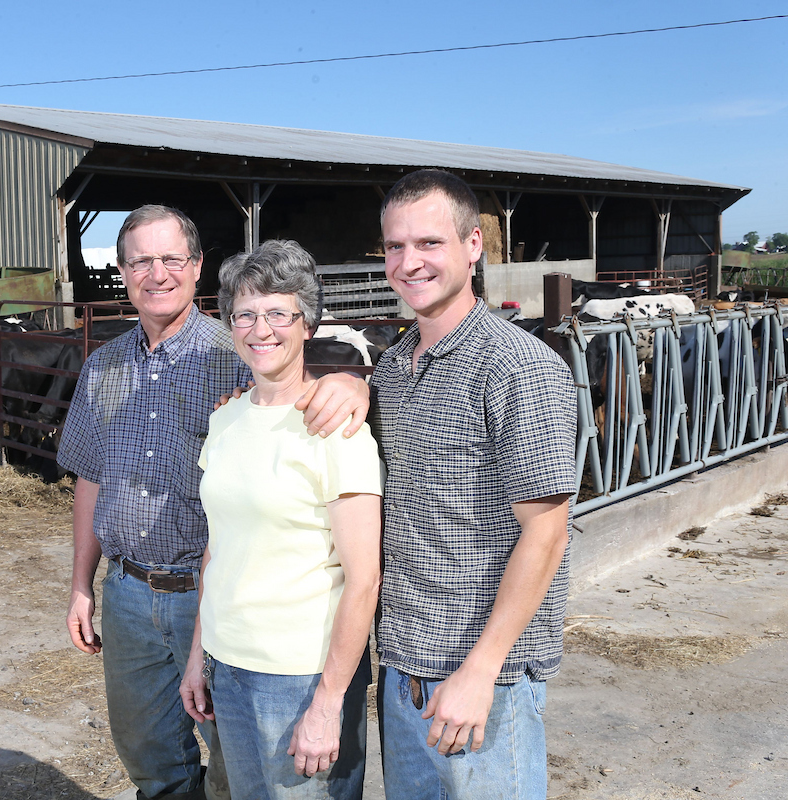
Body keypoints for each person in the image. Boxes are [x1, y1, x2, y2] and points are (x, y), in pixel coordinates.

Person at [58, 205, 370, 800]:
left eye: (172, 258)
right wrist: (82, 583)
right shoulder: (103, 366)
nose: (157, 273)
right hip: (126, 592)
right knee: (148, 753)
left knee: (240, 767)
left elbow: (300, 386)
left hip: (214, 595)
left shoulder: (237, 355)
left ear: (197, 267)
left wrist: (356, 383)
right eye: (140, 261)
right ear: (121, 271)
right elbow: (90, 478)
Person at [370, 169, 577, 799]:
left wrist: (481, 671)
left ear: (474, 244)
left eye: (429, 243)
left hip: (481, 676)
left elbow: (546, 531)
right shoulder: (391, 368)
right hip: (403, 666)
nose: (410, 262)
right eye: (395, 247)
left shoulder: (518, 367)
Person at [179, 240, 383, 800]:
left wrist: (328, 700)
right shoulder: (226, 419)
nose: (259, 329)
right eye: (244, 314)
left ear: (307, 324)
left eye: (277, 313)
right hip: (228, 662)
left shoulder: (336, 427)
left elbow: (363, 578)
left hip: (298, 676)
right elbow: (217, 549)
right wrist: (199, 656)